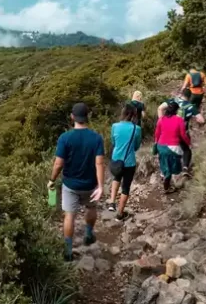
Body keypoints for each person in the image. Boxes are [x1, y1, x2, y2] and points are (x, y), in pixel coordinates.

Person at [48, 102, 105, 261]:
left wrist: (51, 179)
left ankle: (68, 251)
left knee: (69, 216)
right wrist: (100, 186)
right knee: (91, 207)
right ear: (87, 116)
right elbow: (99, 163)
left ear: (72, 116)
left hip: (70, 185)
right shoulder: (96, 138)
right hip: (90, 184)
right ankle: (88, 234)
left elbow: (59, 164)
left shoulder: (65, 138)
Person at [107, 103, 142, 220]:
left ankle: (112, 202)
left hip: (116, 158)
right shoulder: (136, 129)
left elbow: (113, 141)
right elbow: (137, 146)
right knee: (126, 187)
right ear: (133, 115)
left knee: (116, 178)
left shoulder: (114, 126)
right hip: (129, 162)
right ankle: (120, 214)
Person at [158, 89, 204, 175]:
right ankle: (185, 168)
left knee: (168, 150)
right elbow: (201, 120)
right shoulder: (191, 106)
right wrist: (196, 117)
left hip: (169, 132)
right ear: (189, 97)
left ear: (181, 94)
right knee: (186, 150)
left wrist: (161, 122)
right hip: (183, 133)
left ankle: (165, 170)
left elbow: (160, 108)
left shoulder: (172, 101)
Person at [155, 100, 190, 191]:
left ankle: (164, 174)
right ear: (176, 111)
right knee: (174, 166)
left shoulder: (161, 119)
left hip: (161, 146)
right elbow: (183, 135)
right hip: (173, 147)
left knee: (164, 161)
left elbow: (157, 134)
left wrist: (156, 144)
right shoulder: (179, 120)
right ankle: (167, 182)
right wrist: (188, 142)